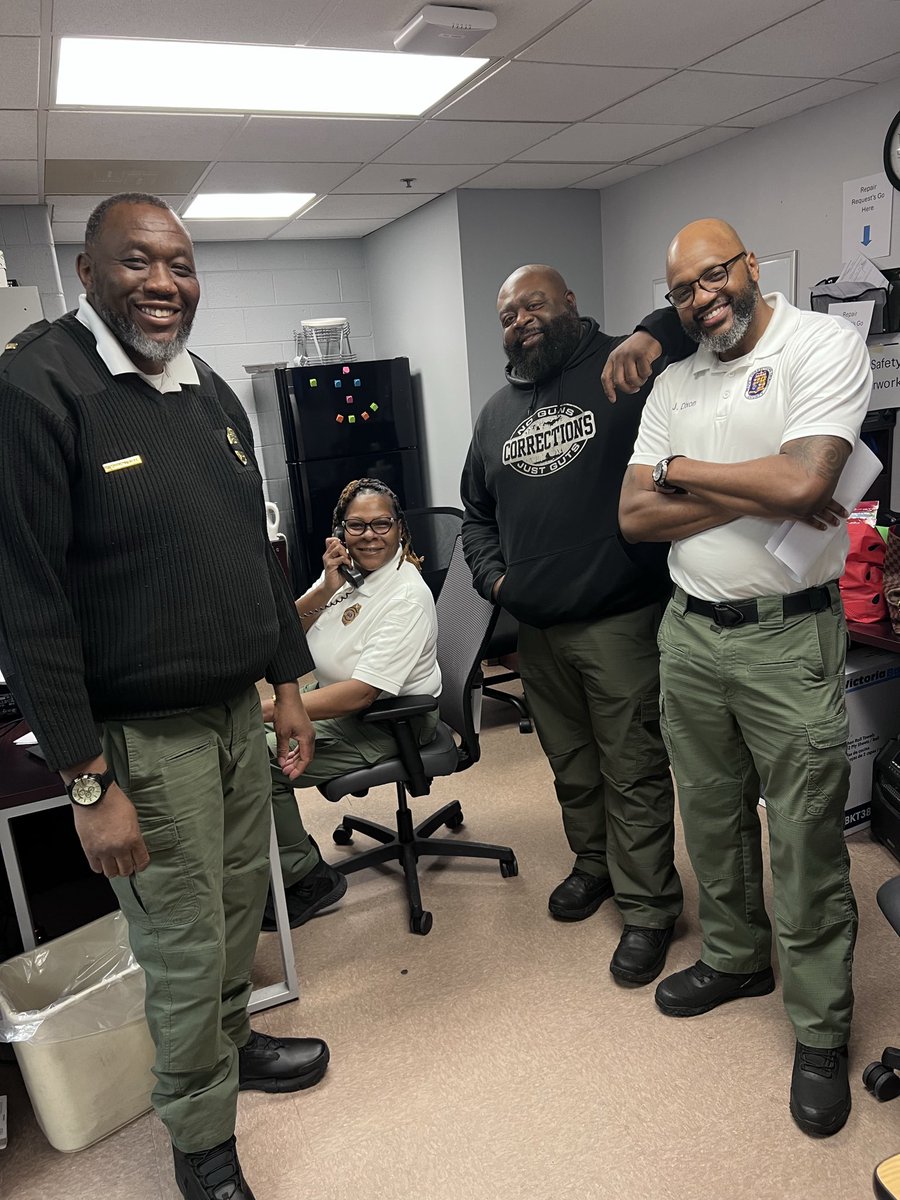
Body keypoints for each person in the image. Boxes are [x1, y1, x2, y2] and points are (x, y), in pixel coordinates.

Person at [0, 193, 328, 1200]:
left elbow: (257, 555)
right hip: (144, 740)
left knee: (234, 912)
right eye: (137, 261)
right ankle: (201, 1140)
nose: (163, 283)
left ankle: (231, 1045)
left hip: (235, 715)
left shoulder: (208, 389)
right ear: (87, 272)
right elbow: (27, 602)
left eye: (180, 264)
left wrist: (288, 684)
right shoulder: (34, 388)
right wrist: (87, 782)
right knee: (184, 945)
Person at [619, 218, 873, 1137]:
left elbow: (807, 484)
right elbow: (634, 515)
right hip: (689, 634)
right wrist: (749, 485)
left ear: (750, 267)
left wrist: (682, 472)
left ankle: (820, 1028)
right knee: (712, 814)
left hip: (786, 638)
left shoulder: (823, 345)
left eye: (713, 276)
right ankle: (734, 959)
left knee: (805, 837)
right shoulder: (675, 381)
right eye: (682, 290)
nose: (702, 299)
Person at [460, 263, 693, 987]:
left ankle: (650, 907)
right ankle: (595, 864)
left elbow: (699, 321)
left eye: (534, 304)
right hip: (539, 630)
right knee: (572, 765)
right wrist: (496, 580)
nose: (521, 321)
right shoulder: (495, 413)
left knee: (633, 769)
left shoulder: (626, 369)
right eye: (508, 315)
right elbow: (475, 515)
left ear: (568, 302)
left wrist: (651, 333)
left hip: (620, 618)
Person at [261, 477, 441, 929]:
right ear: (341, 532)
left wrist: (272, 709)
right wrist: (325, 587)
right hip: (335, 701)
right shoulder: (349, 576)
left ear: (400, 528)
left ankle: (305, 876)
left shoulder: (405, 596)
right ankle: (275, 862)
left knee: (254, 759)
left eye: (382, 524)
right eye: (357, 525)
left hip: (386, 719)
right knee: (237, 737)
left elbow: (362, 691)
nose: (369, 536)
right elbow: (285, 635)